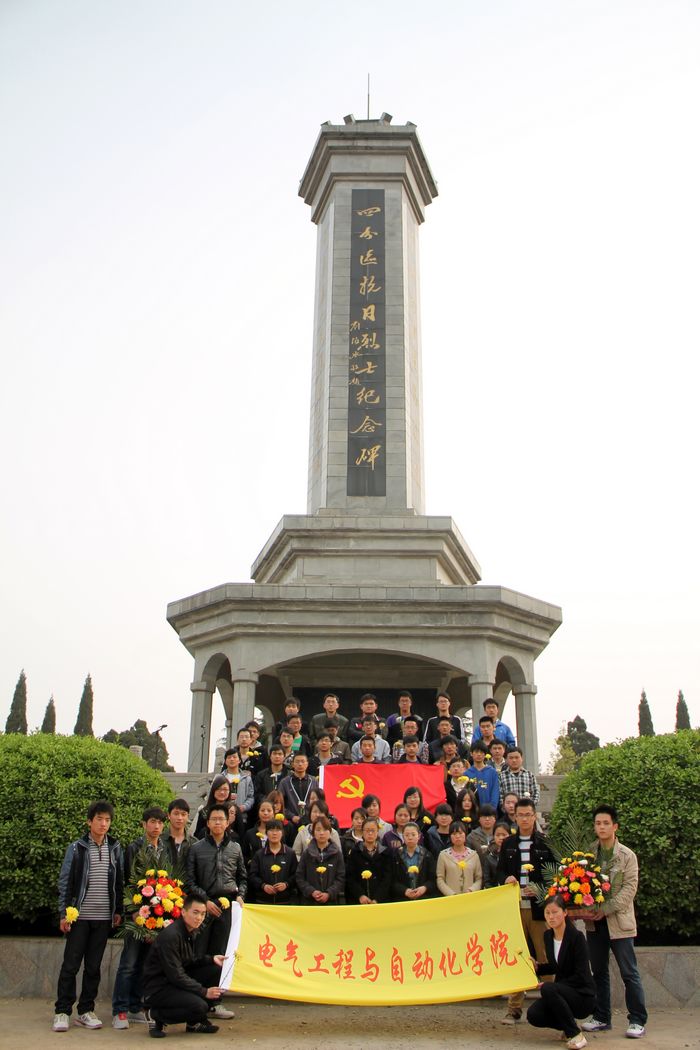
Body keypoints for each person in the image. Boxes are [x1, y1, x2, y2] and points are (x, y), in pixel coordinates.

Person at [53, 801, 123, 1033]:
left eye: (107, 820)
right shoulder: (77, 848)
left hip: (102, 919)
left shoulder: (115, 848)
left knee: (93, 967)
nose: (103, 824)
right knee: (71, 965)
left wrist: (117, 911)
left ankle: (86, 1010)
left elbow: (119, 882)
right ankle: (62, 1011)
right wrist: (64, 913)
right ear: (89, 821)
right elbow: (65, 882)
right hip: (79, 918)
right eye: (99, 819)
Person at [581, 805, 648, 1039]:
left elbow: (629, 889)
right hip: (595, 923)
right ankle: (601, 1017)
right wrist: (588, 907)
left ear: (615, 826)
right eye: (598, 823)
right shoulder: (589, 854)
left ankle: (637, 1020)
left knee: (629, 972)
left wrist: (606, 909)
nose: (601, 827)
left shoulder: (627, 855)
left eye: (606, 823)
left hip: (619, 922)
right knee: (599, 971)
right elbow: (582, 885)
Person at [497, 797, 556, 1025]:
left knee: (544, 955)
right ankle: (514, 1008)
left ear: (534, 816)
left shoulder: (544, 843)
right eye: (520, 815)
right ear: (515, 817)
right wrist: (506, 879)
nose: (524, 819)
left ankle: (554, 1004)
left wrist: (539, 888)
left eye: (528, 815)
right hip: (515, 908)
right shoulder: (508, 844)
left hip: (539, 909)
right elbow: (500, 871)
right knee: (518, 955)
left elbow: (553, 875)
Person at [112, 806, 169, 1029]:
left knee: (146, 964)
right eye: (152, 822)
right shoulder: (134, 848)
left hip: (156, 915)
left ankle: (135, 1007)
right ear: (144, 824)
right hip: (136, 913)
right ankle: (120, 1009)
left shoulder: (164, 848)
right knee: (129, 963)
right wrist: (132, 911)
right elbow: (127, 880)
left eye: (160, 822)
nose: (156, 826)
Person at [185, 804, 245, 1014]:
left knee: (221, 955)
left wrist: (240, 894)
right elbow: (190, 881)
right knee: (199, 953)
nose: (218, 822)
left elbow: (242, 878)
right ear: (208, 823)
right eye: (214, 819)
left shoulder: (236, 848)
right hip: (202, 908)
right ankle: (196, 999)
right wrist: (205, 902)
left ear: (228, 822)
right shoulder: (196, 848)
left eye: (221, 819)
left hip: (226, 908)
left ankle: (216, 1002)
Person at [141, 890, 226, 1037]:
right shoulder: (171, 936)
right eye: (195, 912)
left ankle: (194, 1023)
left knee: (216, 969)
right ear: (183, 912)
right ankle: (155, 1014)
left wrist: (211, 959)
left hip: (174, 980)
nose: (199, 918)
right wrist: (204, 991)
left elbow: (189, 961)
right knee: (199, 1006)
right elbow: (176, 975)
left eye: (203, 914)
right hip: (159, 988)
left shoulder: (189, 931)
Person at [527, 895, 597, 1050]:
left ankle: (576, 1035)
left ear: (565, 913)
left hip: (582, 995)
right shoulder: (548, 936)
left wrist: (553, 987)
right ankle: (569, 1024)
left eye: (555, 912)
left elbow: (581, 975)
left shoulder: (577, 937)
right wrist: (538, 967)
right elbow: (556, 966)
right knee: (533, 1014)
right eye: (547, 913)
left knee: (548, 988)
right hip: (562, 993)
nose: (551, 917)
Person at [295, 816, 345, 905]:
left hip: (331, 903)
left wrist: (329, 893)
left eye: (325, 829)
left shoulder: (337, 854)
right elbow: (300, 877)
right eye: (318, 830)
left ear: (330, 832)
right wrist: (311, 891)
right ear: (313, 833)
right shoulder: (307, 853)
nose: (321, 833)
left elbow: (341, 878)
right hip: (310, 903)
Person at [345, 817, 394, 904]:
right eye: (367, 830)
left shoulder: (386, 853)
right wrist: (360, 895)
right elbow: (350, 877)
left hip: (381, 901)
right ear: (362, 832)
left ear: (377, 832)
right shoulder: (354, 852)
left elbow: (387, 879)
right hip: (359, 901)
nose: (370, 833)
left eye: (373, 830)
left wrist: (377, 898)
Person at [248, 820, 298, 904]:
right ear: (266, 833)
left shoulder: (290, 853)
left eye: (278, 830)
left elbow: (296, 875)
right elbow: (252, 875)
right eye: (271, 830)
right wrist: (263, 886)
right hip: (263, 901)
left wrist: (286, 884)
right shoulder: (259, 854)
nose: (274, 833)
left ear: (282, 833)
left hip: (285, 901)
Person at [393, 821, 437, 900]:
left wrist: (425, 887)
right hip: (402, 899)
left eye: (413, 835)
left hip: (423, 898)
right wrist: (404, 890)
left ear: (419, 836)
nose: (410, 838)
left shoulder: (427, 855)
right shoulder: (396, 855)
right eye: (407, 835)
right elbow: (392, 880)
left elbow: (433, 879)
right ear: (403, 836)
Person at [436, 822, 482, 895]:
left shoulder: (474, 855)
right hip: (450, 898)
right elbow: (440, 878)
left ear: (465, 835)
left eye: (460, 833)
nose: (457, 836)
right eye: (454, 834)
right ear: (450, 836)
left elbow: (479, 878)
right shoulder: (443, 855)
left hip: (470, 897)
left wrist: (471, 890)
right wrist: (451, 894)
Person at [280, 753, 319, 826]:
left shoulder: (314, 781)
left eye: (303, 761)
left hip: (310, 821)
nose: (300, 764)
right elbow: (280, 804)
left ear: (307, 764)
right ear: (292, 764)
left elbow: (319, 802)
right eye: (297, 762)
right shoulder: (285, 782)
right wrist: (291, 816)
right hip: (291, 822)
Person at [191, 776, 233, 840]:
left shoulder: (233, 811)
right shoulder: (204, 812)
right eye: (218, 789)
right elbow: (197, 835)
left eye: (225, 789)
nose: (222, 792)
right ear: (213, 790)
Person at [466, 741, 500, 810]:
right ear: (471, 753)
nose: (479, 754)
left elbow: (495, 793)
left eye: (481, 752)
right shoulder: (466, 774)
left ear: (485, 754)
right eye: (476, 752)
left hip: (490, 811)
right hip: (472, 811)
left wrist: (492, 809)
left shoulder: (492, 772)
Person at [162, 798, 195, 870]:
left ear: (188, 816)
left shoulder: (194, 843)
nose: (180, 818)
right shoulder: (159, 840)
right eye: (176, 814)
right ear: (169, 815)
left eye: (183, 814)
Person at [481, 820, 511, 888]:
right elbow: (486, 881)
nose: (501, 838)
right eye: (497, 835)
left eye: (504, 835)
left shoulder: (514, 855)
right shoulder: (489, 857)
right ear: (493, 837)